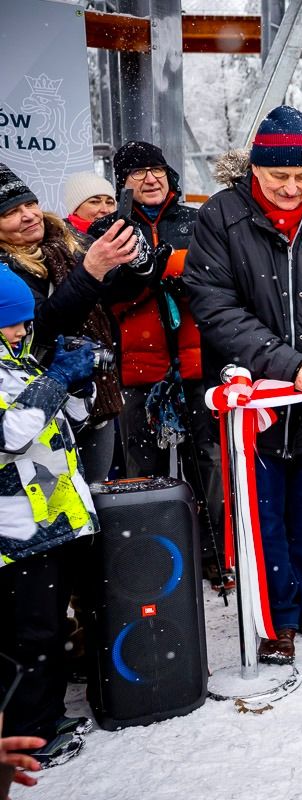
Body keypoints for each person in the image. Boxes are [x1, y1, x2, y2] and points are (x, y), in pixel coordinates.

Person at [185, 106, 302, 666]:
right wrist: (283, 362)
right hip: (255, 400)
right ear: (255, 170)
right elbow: (214, 304)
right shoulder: (221, 216)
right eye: (277, 176)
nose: (290, 188)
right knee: (262, 514)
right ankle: (276, 616)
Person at [86, 142, 227, 586]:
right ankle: (150, 558)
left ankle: (215, 553)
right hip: (135, 369)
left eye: (157, 169)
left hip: (195, 363)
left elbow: (215, 274)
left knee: (208, 463)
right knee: (139, 471)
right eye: (138, 172)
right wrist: (146, 273)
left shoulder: (194, 220)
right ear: (121, 181)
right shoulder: (107, 229)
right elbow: (101, 289)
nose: (151, 178)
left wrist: (166, 264)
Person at [0, 264, 100, 768]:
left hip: (54, 519)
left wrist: (76, 385)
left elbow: (66, 425)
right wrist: (55, 380)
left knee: (47, 626)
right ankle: (28, 736)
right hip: (13, 531)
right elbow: (11, 434)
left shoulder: (18, 360)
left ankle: (47, 715)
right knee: (28, 635)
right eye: (11, 323)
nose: (22, 331)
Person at [0, 163, 134, 482]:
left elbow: (113, 293)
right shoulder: (5, 271)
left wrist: (141, 266)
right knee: (54, 506)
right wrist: (90, 272)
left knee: (97, 498)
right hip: (33, 402)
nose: (29, 214)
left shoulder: (66, 238)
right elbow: (41, 329)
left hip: (89, 393)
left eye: (30, 203)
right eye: (11, 212)